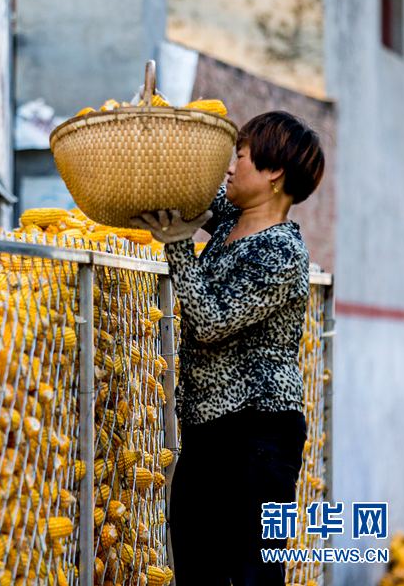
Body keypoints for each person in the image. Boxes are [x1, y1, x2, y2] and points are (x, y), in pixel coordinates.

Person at [130, 111, 326, 585]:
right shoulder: (232, 218)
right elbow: (187, 195)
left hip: (258, 438)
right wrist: (152, 125)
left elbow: (211, 322)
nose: (230, 168)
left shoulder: (280, 252)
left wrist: (178, 244)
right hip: (208, 434)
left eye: (240, 156)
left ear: (274, 173)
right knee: (197, 570)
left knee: (251, 576)